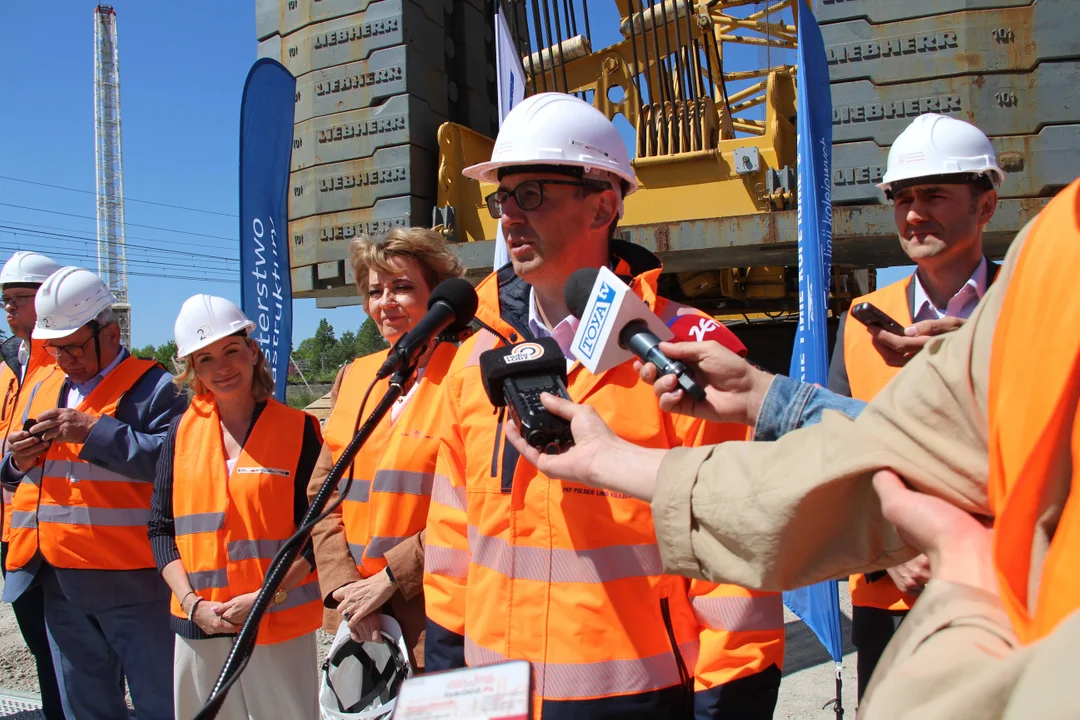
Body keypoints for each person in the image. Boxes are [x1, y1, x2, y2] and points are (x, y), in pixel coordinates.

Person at [504, 177, 1080, 717]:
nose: (510, 215)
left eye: (529, 194)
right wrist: (765, 398)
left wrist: (971, 578)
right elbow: (914, 444)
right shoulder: (1056, 250)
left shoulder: (1050, 258)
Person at [423, 92, 784, 719]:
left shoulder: (688, 353)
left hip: (635, 699)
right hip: (490, 699)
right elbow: (452, 543)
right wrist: (446, 683)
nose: (509, 217)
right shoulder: (473, 357)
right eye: (501, 197)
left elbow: (735, 575)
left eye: (531, 194)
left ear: (604, 205)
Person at [826, 113, 1004, 696]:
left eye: (934, 195)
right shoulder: (860, 321)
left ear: (985, 205)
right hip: (892, 596)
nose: (913, 213)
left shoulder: (1033, 306)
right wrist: (888, 548)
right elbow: (831, 455)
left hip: (1013, 589)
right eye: (902, 197)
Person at [2, 266, 187, 720]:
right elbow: (12, 466)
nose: (64, 358)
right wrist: (17, 461)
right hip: (59, 579)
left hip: (134, 581)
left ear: (110, 331)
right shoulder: (46, 385)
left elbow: (181, 464)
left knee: (161, 704)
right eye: (54, 348)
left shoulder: (157, 388)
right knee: (84, 708)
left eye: (73, 347)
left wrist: (97, 433)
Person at [149, 294, 323, 719]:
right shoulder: (179, 434)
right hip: (199, 624)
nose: (222, 367)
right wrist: (193, 605)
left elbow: (320, 533)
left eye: (231, 350)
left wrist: (266, 597)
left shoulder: (299, 430)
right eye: (205, 359)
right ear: (192, 369)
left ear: (253, 351)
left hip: (277, 623)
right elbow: (160, 529)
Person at [308, 227, 464, 670]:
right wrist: (345, 588)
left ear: (438, 296)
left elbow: (475, 505)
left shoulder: (465, 376)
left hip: (434, 610)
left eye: (402, 287)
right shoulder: (355, 378)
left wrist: (391, 578)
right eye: (375, 291)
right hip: (359, 611)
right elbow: (322, 493)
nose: (385, 302)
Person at [0, 251, 65, 718]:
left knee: (71, 648)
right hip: (12, 531)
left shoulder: (63, 363)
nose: (9, 308)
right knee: (41, 647)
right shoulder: (8, 363)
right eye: (5, 300)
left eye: (19, 298)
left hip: (54, 529)